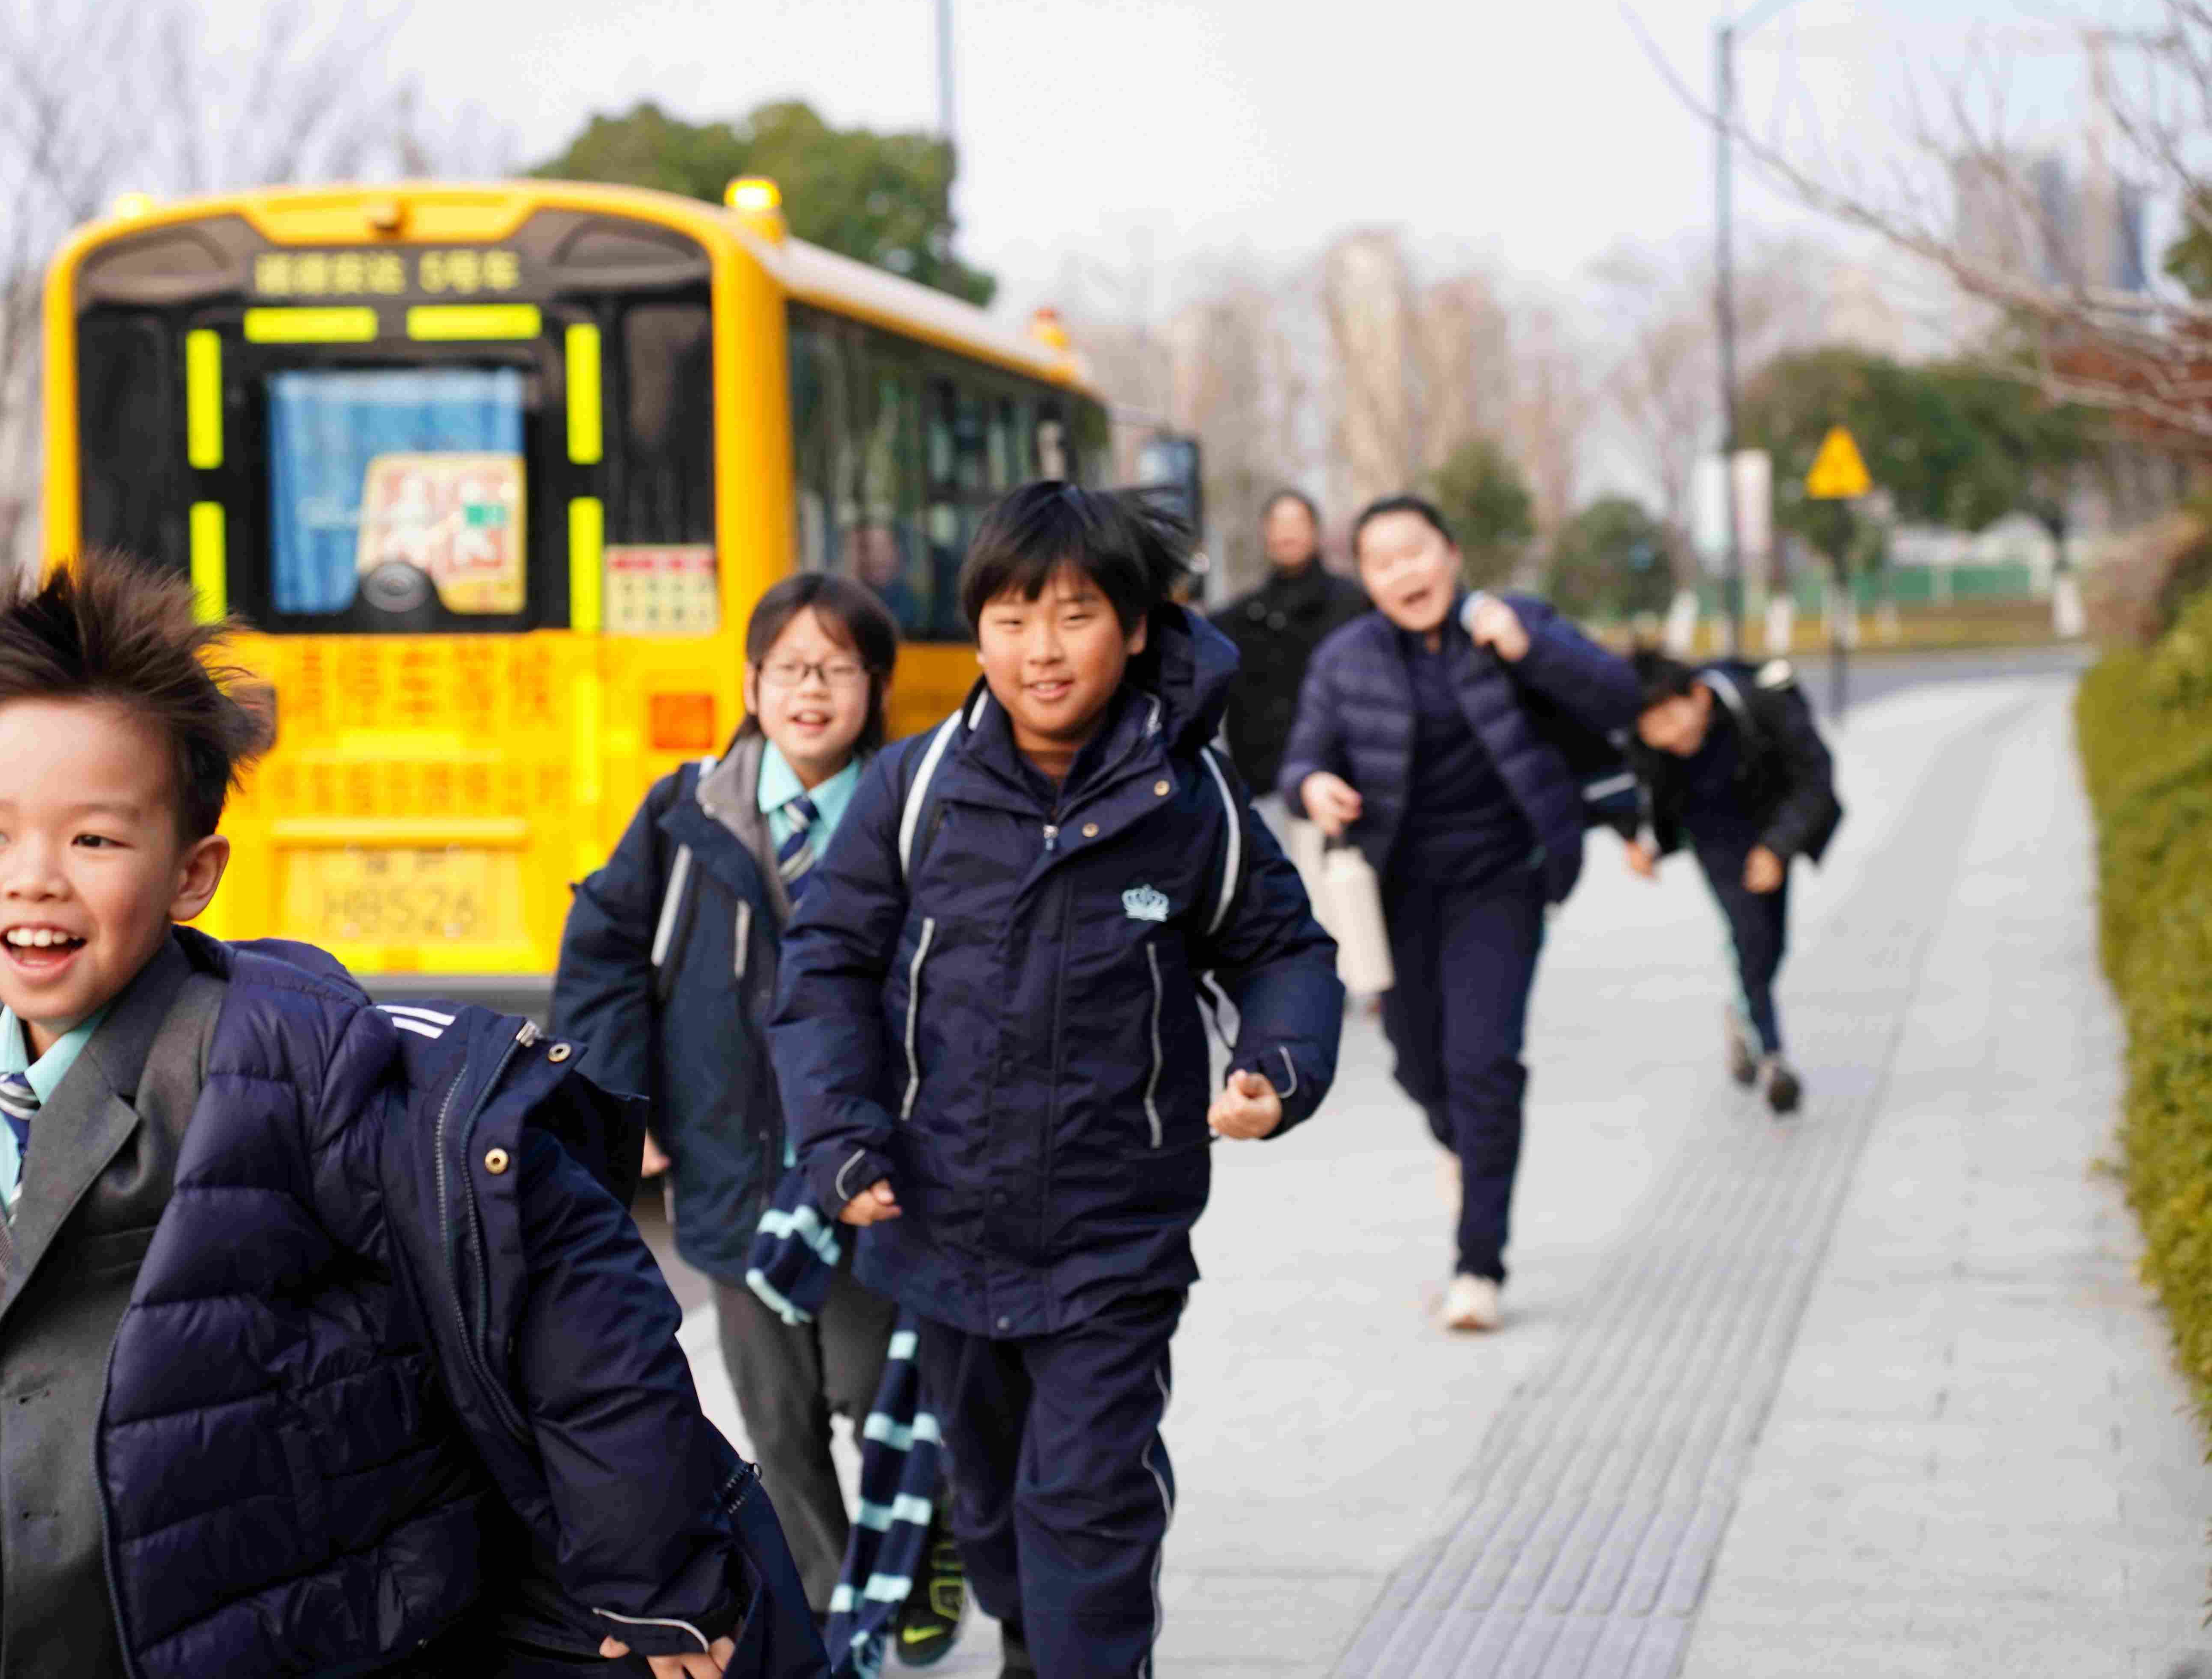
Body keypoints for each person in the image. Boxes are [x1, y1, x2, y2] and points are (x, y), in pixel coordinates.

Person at [0, 556, 822, 1679]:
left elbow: (569, 1291)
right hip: (63, 1623)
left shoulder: (289, 1063)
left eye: (93, 840)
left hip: (311, 1628)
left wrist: (655, 1581)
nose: (33, 878)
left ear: (193, 874)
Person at [772, 481, 1344, 1679]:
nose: (1043, 649)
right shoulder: (917, 791)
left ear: (1132, 629)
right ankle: (1032, 1632)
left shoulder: (1190, 803)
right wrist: (840, 1136)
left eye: (1075, 615)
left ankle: (1077, 1649)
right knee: (991, 1509)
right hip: (943, 1225)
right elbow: (825, 964)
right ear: (978, 630)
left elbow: (1284, 950)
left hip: (1113, 1237)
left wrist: (1276, 1068)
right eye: (1014, 618)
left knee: (1088, 1506)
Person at [551, 572, 967, 1661]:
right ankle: (831, 1602)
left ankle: (927, 1537)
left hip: (866, 1164)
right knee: (777, 1419)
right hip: (732, 1162)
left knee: (871, 1386)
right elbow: (603, 956)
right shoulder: (686, 810)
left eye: (836, 669)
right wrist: (621, 1103)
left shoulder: (916, 810)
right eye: (789, 669)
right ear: (751, 683)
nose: (811, 691)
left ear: (876, 687)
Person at [1280, 494, 1639, 1335]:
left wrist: (1529, 648)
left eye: (1417, 551)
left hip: (1501, 880)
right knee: (1417, 1063)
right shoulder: (1346, 658)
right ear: (1368, 581)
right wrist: (1313, 786)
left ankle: (1479, 1264)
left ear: (1450, 553)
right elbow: (1303, 757)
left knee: (1484, 1064)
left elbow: (1620, 697)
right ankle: (1463, 1144)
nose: (1405, 572)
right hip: (1394, 890)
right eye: (1383, 562)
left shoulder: (1516, 623)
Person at [1622, 648, 1844, 1114]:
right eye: (1653, 728)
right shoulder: (1645, 741)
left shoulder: (1758, 703)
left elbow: (1815, 774)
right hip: (1713, 837)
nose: (1667, 736)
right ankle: (1773, 1060)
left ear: (1699, 696)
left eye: (1672, 719)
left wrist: (1778, 848)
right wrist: (1640, 842)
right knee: (1751, 934)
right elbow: (1630, 790)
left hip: (1770, 821)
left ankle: (1742, 1011)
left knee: (1773, 942)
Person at [1211, 488, 1369, 808]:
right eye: (1278, 523)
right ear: (1265, 533)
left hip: (1340, 785)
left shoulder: (1356, 604)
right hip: (1262, 789)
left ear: (1315, 530)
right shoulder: (1242, 616)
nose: (1287, 533)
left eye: (1297, 522)